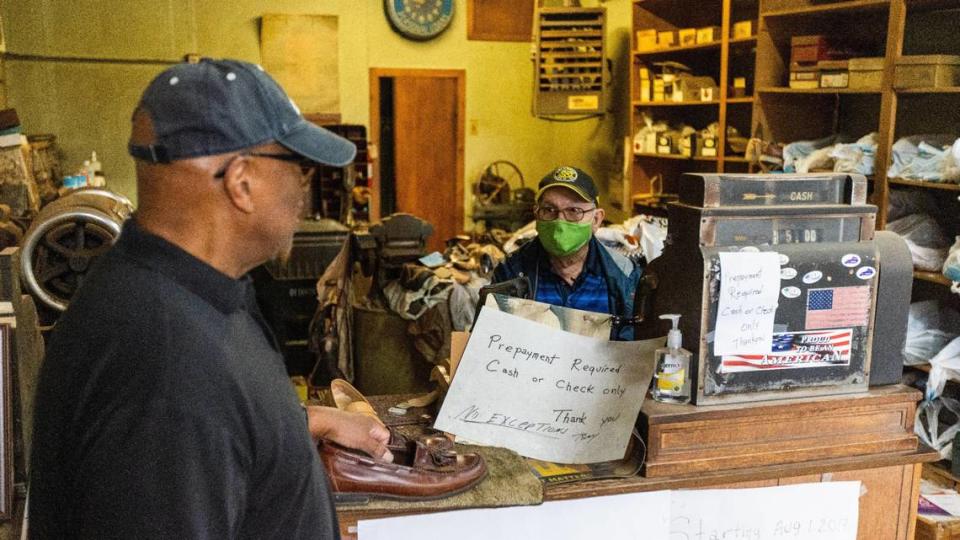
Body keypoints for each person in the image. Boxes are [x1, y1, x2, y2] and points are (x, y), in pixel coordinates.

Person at [28, 58, 391, 539]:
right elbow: (180, 417)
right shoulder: (165, 358)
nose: (303, 191)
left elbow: (215, 425)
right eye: (298, 169)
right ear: (241, 181)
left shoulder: (184, 289)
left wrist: (310, 421)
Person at [492, 166, 642, 340]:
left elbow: (636, 347)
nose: (560, 220)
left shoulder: (625, 275)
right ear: (536, 214)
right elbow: (493, 341)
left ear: (596, 219)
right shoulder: (511, 271)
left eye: (574, 211)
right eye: (549, 210)